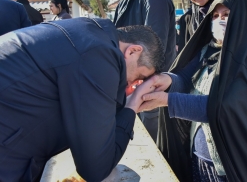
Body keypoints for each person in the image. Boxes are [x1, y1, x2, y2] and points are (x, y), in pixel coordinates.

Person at [131, 0, 247, 181]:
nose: (220, 20)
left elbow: (228, 109)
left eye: (226, 15)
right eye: (215, 16)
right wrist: (166, 80)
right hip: (201, 159)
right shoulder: (210, 49)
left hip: (234, 167)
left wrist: (167, 100)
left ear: (244, 18)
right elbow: (185, 78)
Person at [0, 18, 165, 181]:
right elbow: (96, 168)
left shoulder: (91, 33)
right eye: (139, 77)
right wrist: (132, 105)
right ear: (133, 51)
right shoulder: (100, 57)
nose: (134, 84)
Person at [114, 0, 176, 140]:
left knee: (150, 138)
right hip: (133, 80)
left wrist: (143, 83)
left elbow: (155, 45)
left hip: (148, 81)